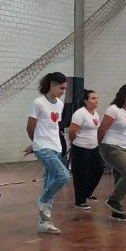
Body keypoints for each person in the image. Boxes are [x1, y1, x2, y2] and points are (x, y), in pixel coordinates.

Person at [25, 72, 70, 234]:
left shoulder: (59, 103)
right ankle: (42, 200)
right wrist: (36, 143)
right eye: (61, 88)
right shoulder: (38, 103)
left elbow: (53, 127)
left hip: (56, 147)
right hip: (43, 147)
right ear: (52, 85)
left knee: (49, 182)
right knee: (63, 176)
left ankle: (44, 222)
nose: (63, 91)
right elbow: (30, 127)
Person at [98, 84, 126, 222]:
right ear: (123, 96)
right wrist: (100, 147)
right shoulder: (113, 109)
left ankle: (116, 212)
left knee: (120, 176)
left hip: (124, 147)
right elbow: (101, 130)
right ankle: (113, 200)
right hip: (110, 145)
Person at [68, 89, 104, 210]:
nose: (96, 100)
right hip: (80, 148)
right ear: (85, 100)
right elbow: (72, 131)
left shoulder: (96, 114)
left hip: (94, 147)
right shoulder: (80, 113)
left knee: (99, 169)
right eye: (93, 98)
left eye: (97, 98)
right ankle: (79, 201)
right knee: (81, 175)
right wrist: (75, 143)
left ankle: (87, 192)